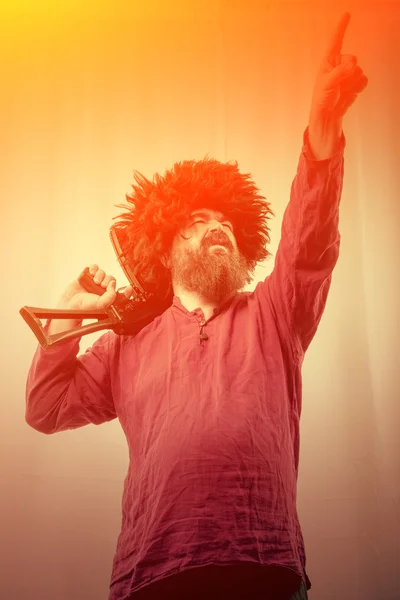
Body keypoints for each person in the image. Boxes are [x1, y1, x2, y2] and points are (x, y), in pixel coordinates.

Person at [24, 12, 367, 600]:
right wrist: (74, 315)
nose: (218, 228)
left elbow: (308, 246)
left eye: (227, 222)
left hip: (267, 567)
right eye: (198, 221)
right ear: (167, 245)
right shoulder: (126, 344)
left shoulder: (275, 315)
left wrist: (321, 128)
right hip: (152, 576)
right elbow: (46, 408)